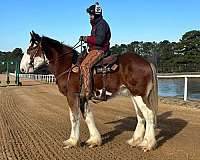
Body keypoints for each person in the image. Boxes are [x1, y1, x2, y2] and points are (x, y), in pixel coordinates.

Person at [79, 2, 111, 99]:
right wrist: (88, 42)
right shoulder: (96, 25)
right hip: (95, 49)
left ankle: (87, 92)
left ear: (96, 15)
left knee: (85, 65)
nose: (90, 16)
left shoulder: (102, 25)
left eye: (91, 15)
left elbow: (99, 40)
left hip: (100, 50)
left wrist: (86, 39)